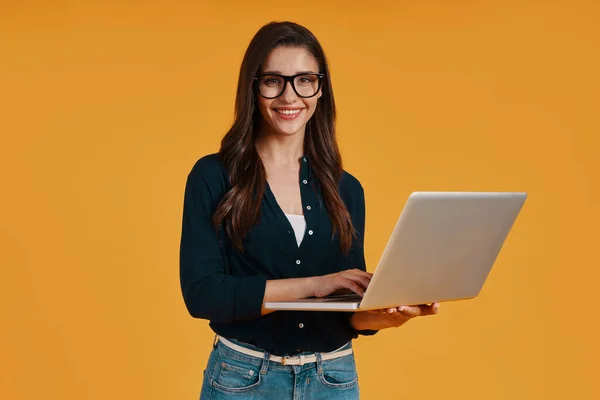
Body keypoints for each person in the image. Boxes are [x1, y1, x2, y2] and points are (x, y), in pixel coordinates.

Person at [179, 20, 440, 399]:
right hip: (243, 380)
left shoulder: (346, 189)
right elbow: (203, 294)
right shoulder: (213, 176)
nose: (290, 97)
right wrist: (318, 284)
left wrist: (385, 316)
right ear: (253, 88)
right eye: (273, 80)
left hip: (333, 379)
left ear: (320, 89)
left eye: (304, 80)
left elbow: (347, 312)